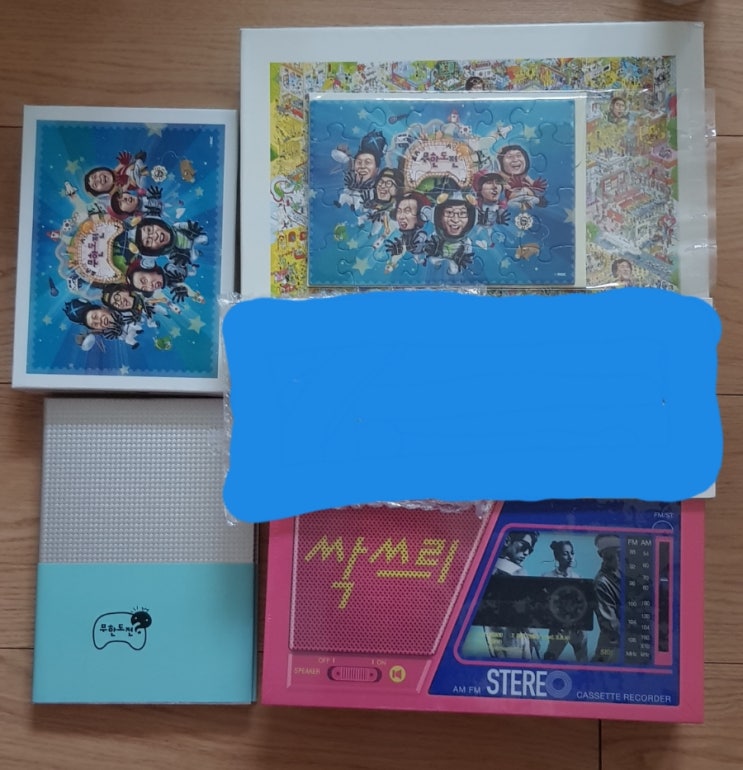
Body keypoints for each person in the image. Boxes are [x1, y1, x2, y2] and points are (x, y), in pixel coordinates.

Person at [484, 530, 541, 660]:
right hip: (516, 638)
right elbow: (523, 612)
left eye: (530, 550)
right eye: (524, 546)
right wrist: (534, 635)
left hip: (495, 637)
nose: (526, 553)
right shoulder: (517, 572)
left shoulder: (487, 569)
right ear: (507, 540)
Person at [542, 540, 588, 662]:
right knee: (549, 660)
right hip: (558, 630)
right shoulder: (547, 577)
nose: (570, 557)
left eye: (572, 553)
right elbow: (542, 606)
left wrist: (580, 623)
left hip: (577, 630)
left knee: (583, 661)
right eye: (565, 553)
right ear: (557, 556)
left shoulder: (578, 578)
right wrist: (553, 623)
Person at [423, 196, 476, 275]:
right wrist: (431, 250)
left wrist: (462, 259)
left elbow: (468, 258)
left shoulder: (466, 242)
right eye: (449, 212)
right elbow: (426, 250)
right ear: (439, 216)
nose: (455, 220)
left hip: (454, 269)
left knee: (454, 270)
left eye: (462, 213)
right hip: (436, 263)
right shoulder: (435, 236)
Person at [592, 534, 622, 663]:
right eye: (609, 556)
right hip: (611, 652)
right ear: (602, 555)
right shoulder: (601, 583)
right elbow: (611, 627)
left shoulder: (625, 573)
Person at [383, 192, 429, 272]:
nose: (401, 217)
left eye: (407, 211)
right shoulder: (405, 232)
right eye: (399, 211)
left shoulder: (420, 234)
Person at [496, 144, 547, 209]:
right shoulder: (498, 179)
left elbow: (538, 191)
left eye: (518, 155)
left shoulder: (527, 178)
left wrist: (537, 187)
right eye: (509, 157)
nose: (515, 159)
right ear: (501, 163)